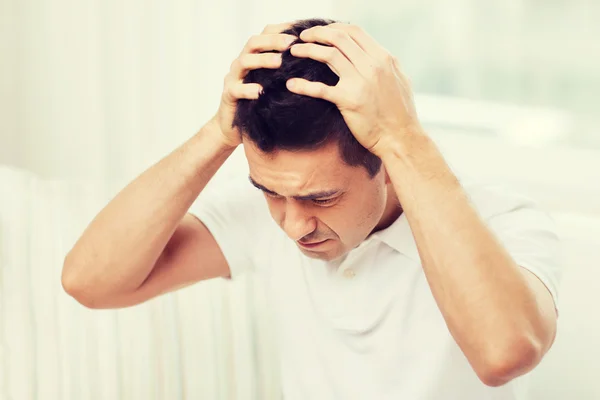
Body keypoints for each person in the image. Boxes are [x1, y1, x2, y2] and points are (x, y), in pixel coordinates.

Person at [61, 18, 562, 399]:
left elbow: (504, 354)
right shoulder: (263, 215)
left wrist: (405, 137)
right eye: (270, 192)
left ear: (385, 162)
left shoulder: (504, 220)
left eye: (322, 198)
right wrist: (217, 133)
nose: (294, 225)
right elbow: (91, 281)